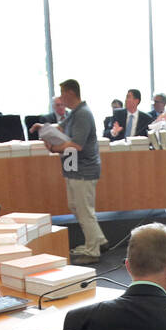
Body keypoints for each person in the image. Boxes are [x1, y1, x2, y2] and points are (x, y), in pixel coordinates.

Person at [49, 79, 105, 265]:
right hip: (74, 168)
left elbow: (76, 145)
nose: (60, 98)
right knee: (75, 206)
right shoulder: (75, 113)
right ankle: (98, 239)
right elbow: (60, 128)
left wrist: (54, 148)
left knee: (84, 209)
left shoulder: (82, 114)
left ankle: (92, 250)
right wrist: (44, 130)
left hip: (84, 170)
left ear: (71, 93)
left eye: (63, 94)